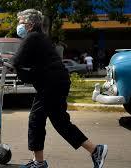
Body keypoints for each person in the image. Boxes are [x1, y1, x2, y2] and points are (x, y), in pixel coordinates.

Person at [12, 9, 108, 168]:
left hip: (52, 85)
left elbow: (17, 61)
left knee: (48, 121)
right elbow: (31, 63)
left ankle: (94, 150)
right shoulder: (40, 37)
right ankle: (40, 161)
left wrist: (10, 66)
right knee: (46, 120)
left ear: (29, 24)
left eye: (20, 22)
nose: (19, 26)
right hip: (54, 83)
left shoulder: (32, 37)